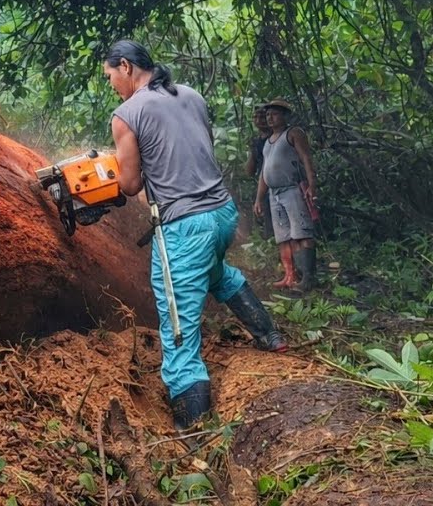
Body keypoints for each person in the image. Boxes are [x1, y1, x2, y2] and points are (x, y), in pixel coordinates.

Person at [104, 40, 286, 430]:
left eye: (110, 77)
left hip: (185, 227)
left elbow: (131, 184)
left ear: (125, 66)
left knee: (177, 325)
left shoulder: (127, 114)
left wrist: (112, 169)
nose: (112, 86)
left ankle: (195, 435)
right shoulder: (190, 95)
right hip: (221, 214)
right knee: (217, 273)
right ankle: (269, 335)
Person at [253, 99, 320, 291]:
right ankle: (290, 275)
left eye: (274, 114)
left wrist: (312, 184)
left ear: (284, 116)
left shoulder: (293, 133)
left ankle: (308, 277)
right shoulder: (268, 142)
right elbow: (263, 173)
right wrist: (259, 198)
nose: (270, 118)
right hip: (275, 194)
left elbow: (306, 157)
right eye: (268, 115)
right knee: (284, 236)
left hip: (292, 189)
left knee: (301, 231)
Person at [245, 106, 272, 240]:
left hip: (276, 183)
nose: (259, 120)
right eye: (255, 117)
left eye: (262, 116)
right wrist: (253, 149)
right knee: (267, 220)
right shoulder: (256, 142)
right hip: (263, 185)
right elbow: (250, 171)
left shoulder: (276, 137)